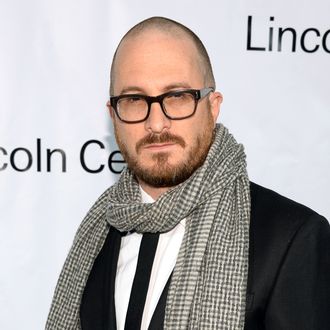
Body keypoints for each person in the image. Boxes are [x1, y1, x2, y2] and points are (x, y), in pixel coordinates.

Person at [46, 16, 330, 330]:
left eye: (177, 97)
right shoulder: (96, 235)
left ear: (213, 106)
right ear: (113, 115)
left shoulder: (291, 238)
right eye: (134, 100)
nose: (156, 123)